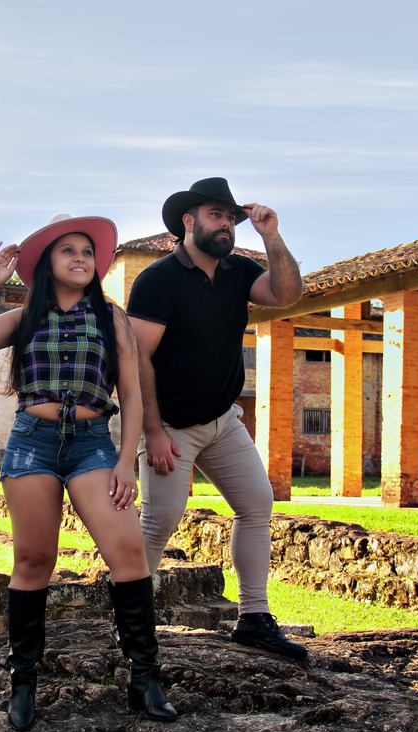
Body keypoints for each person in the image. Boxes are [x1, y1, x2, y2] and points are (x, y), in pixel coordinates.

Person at [0, 213, 177, 730]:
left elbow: (133, 395)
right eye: (67, 250)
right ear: (48, 261)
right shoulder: (24, 316)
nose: (80, 258)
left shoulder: (111, 318)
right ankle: (23, 682)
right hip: (33, 444)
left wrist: (126, 460)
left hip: (94, 445)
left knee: (127, 550)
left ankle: (145, 677)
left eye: (87, 252)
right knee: (33, 559)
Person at [126, 178, 307, 660]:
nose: (225, 224)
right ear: (189, 221)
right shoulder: (157, 280)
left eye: (231, 217)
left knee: (256, 504)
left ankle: (253, 618)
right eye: (215, 215)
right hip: (170, 425)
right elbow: (137, 359)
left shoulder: (238, 271)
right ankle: (132, 623)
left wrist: (271, 236)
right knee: (159, 522)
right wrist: (153, 432)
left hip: (223, 420)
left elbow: (288, 294)